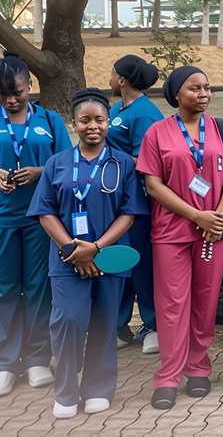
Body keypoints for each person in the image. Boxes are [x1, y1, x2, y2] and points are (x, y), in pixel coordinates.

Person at [29, 88, 147, 419]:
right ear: (74, 123)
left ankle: (98, 388)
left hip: (109, 256)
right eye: (84, 120)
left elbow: (130, 212)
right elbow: (44, 210)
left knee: (104, 322)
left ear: (108, 123)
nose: (92, 126)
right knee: (67, 320)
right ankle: (66, 390)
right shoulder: (57, 163)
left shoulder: (123, 164)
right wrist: (72, 248)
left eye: (99, 119)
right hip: (67, 259)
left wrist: (96, 248)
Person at [137, 66, 223, 409]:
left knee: (204, 302)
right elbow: (153, 185)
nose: (203, 94)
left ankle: (198, 367)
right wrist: (195, 214)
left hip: (211, 233)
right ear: (176, 94)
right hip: (172, 232)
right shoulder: (157, 133)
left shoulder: (222, 129)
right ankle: (169, 376)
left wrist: (217, 216)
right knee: (172, 306)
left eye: (207, 87)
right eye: (194, 88)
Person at [0, 52, 70, 397]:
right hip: (3, 218)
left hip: (41, 219)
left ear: (30, 86)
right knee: (6, 288)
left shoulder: (50, 120)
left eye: (17, 91)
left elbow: (68, 162)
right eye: (3, 94)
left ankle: (39, 357)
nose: (11, 100)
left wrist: (39, 172)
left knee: (39, 287)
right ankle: (6, 361)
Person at [108, 55, 163, 354]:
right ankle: (119, 325)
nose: (110, 79)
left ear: (123, 80)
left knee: (140, 261)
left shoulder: (145, 113)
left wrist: (110, 159)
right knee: (117, 260)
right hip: (113, 200)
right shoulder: (117, 109)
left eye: (112, 74)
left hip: (139, 201)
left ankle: (153, 324)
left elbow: (148, 161)